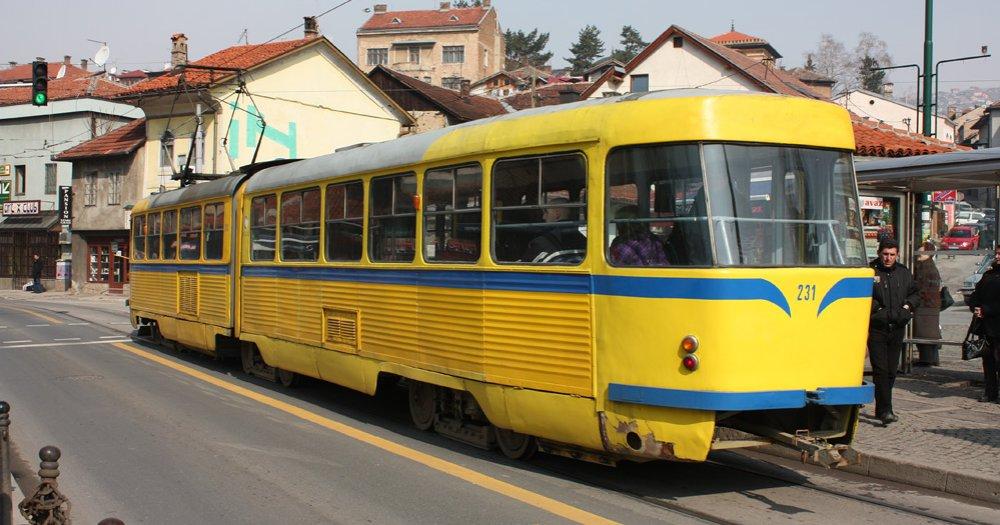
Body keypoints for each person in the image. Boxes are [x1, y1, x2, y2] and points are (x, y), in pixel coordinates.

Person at [868, 239, 919, 425]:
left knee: (891, 370)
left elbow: (915, 293)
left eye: (892, 254)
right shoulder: (870, 271)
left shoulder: (903, 272)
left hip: (897, 326)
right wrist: (878, 311)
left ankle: (882, 406)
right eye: (885, 254)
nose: (888, 258)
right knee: (880, 370)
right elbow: (865, 296)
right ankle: (886, 410)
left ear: (897, 255)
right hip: (877, 328)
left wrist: (907, 307)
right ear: (879, 253)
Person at [967, 246, 1000, 403]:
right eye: (997, 253)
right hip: (986, 326)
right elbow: (975, 295)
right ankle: (990, 392)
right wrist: (976, 307)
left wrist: (986, 310)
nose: (997, 256)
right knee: (988, 361)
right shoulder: (988, 274)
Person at [521, 197, 586, 263]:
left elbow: (523, 266)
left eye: (546, 212)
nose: (543, 217)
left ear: (557, 214)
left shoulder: (541, 243)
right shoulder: (585, 241)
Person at [912, 241, 942, 366]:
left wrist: (914, 298)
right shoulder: (929, 266)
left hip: (925, 305)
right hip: (930, 305)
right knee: (929, 333)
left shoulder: (925, 267)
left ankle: (927, 360)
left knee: (924, 333)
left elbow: (921, 287)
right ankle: (932, 359)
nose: (918, 254)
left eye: (921, 251)